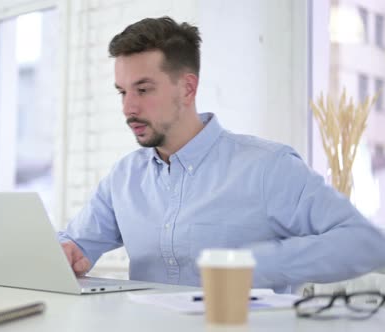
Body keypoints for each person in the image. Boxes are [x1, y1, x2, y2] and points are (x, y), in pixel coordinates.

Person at [58, 16, 385, 293]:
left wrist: (250, 265)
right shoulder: (124, 177)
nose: (128, 108)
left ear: (187, 88)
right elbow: (75, 244)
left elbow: (365, 243)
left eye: (143, 90)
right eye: (123, 92)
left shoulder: (267, 167)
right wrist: (67, 254)